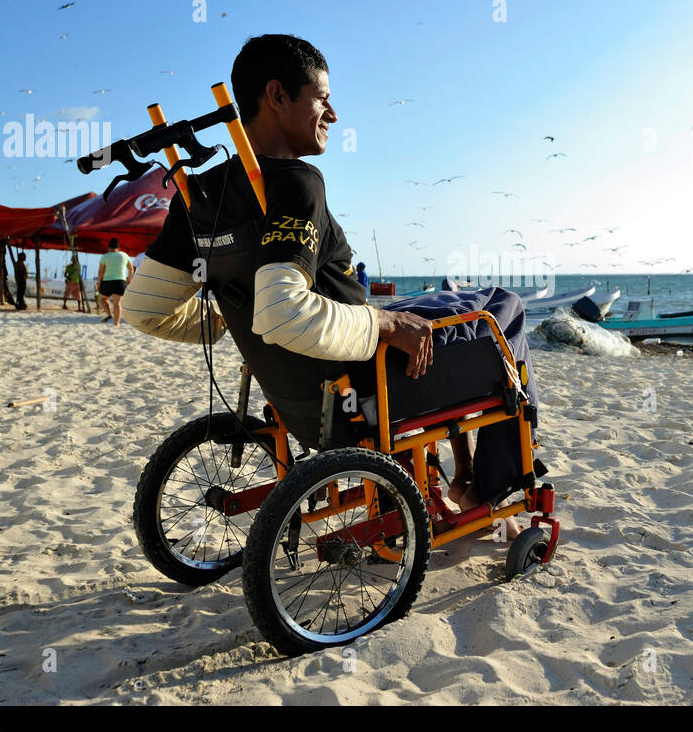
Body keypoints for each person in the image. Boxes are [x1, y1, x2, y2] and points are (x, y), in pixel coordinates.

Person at [121, 34, 534, 535]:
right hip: (363, 384)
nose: (333, 114)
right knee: (504, 307)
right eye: (321, 98)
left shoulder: (199, 192)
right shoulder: (297, 182)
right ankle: (493, 488)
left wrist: (231, 318)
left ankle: (465, 473)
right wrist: (383, 322)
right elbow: (284, 313)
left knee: (451, 304)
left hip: (304, 392)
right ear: (276, 97)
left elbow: (144, 309)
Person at [97, 238, 134, 326]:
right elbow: (131, 268)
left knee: (103, 299)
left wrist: (99, 283)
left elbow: (100, 272)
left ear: (109, 248)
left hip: (107, 282)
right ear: (119, 248)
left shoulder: (105, 256)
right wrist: (129, 278)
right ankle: (116, 323)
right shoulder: (124, 255)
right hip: (120, 281)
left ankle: (109, 314)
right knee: (117, 303)